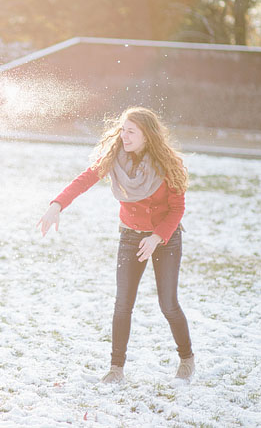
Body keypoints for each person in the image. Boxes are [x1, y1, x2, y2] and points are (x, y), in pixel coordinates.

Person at [37, 107, 194, 383]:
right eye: (122, 129)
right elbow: (85, 179)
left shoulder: (169, 164)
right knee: (122, 304)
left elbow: (177, 208)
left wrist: (157, 237)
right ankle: (116, 369)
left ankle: (186, 357)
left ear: (147, 134)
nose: (124, 135)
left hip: (164, 239)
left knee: (168, 304)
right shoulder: (115, 158)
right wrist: (57, 204)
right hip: (131, 236)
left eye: (131, 131)